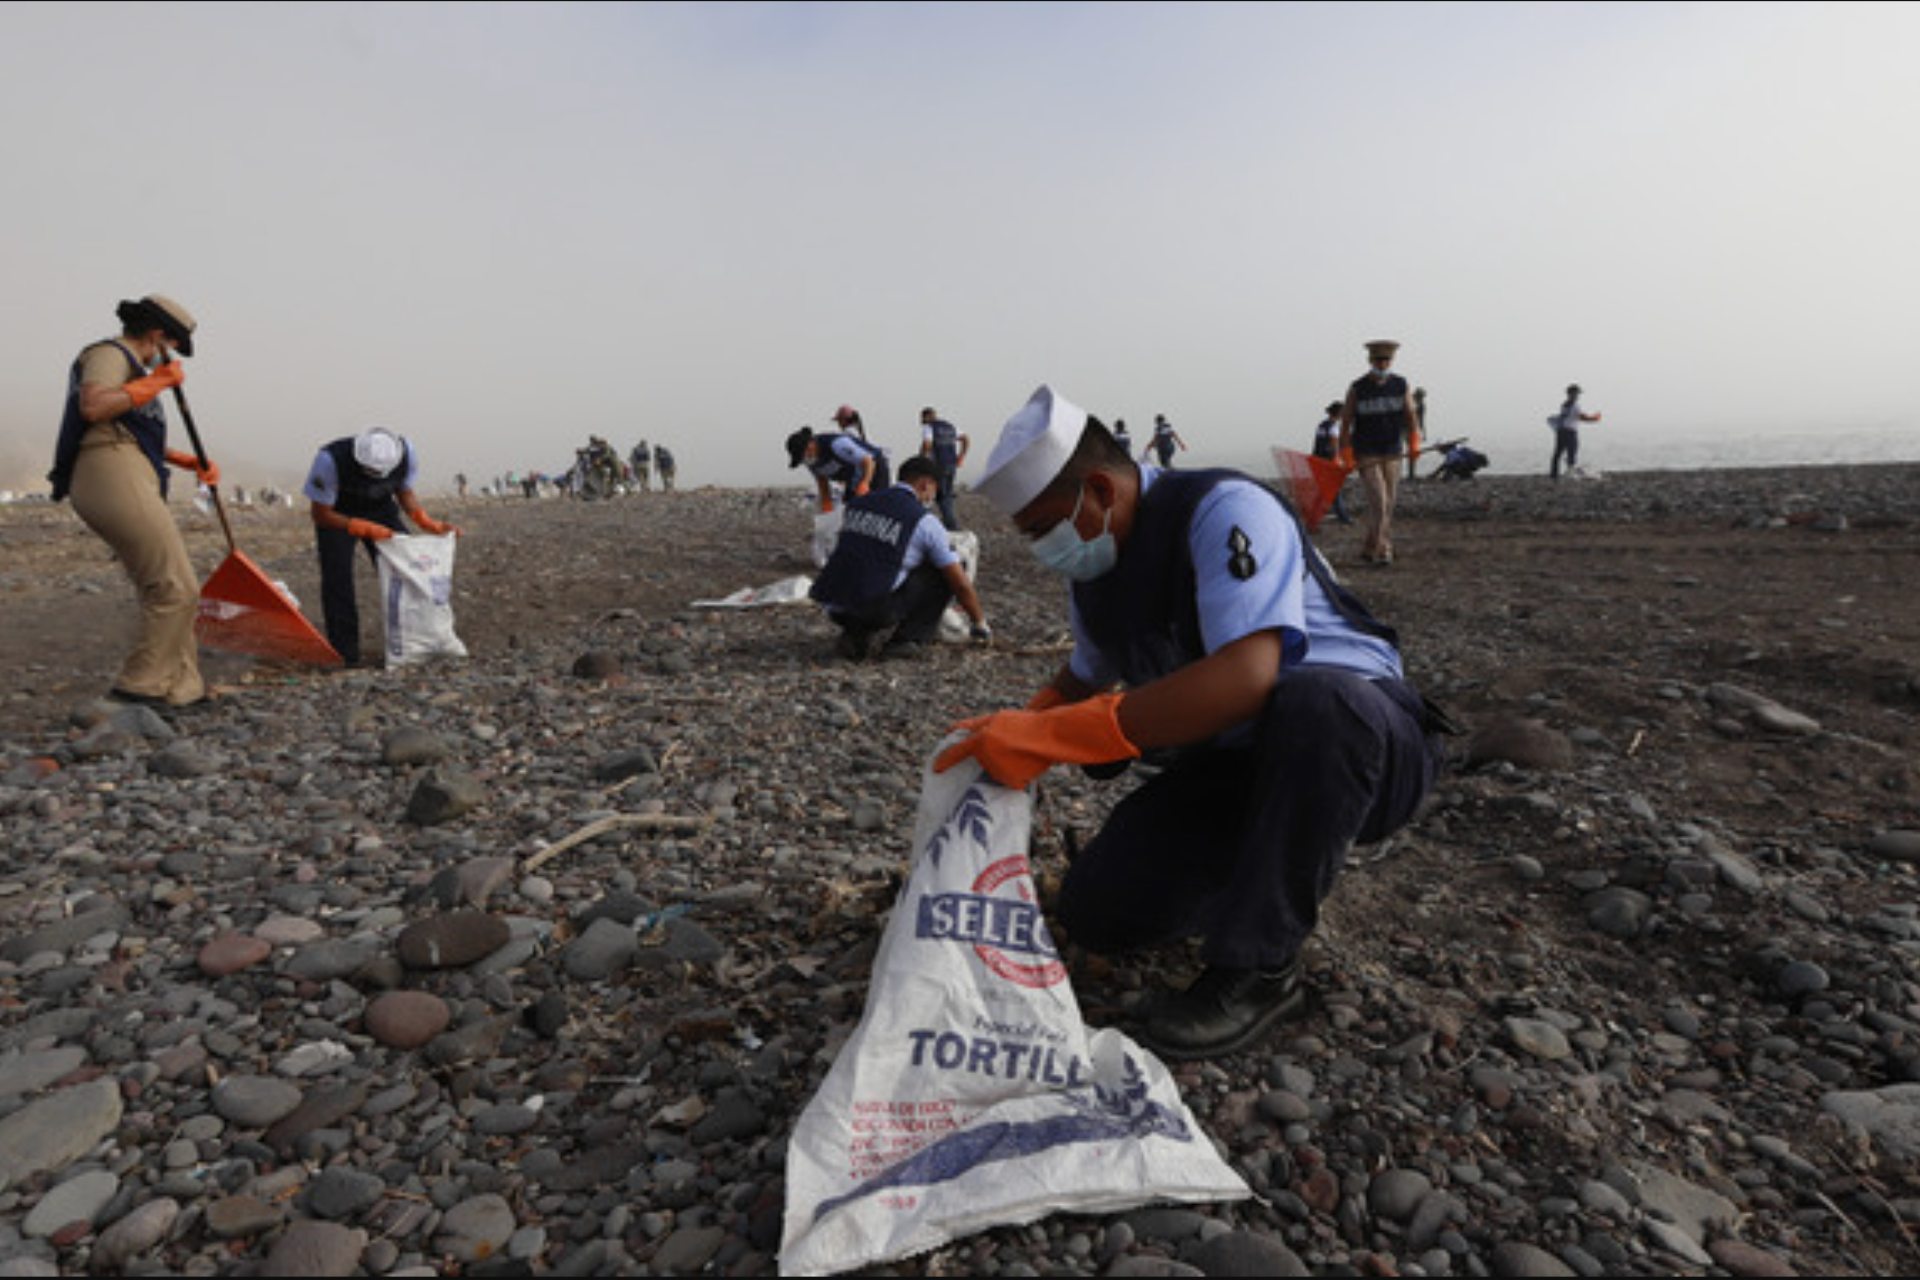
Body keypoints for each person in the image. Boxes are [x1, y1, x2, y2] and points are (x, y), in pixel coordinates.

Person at [935, 384, 1447, 1061]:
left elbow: (1247, 677)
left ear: (1098, 490)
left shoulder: (1223, 510)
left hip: (1362, 746)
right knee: (1101, 912)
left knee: (1316, 701)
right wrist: (1012, 732)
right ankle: (1266, 871)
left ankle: (1260, 968)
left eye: (1042, 530)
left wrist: (1060, 735)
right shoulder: (1098, 571)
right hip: (1238, 767)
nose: (1041, 550)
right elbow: (1084, 677)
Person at [46, 293, 217, 709]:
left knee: (165, 581)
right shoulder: (110, 353)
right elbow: (95, 407)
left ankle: (183, 686)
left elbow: (134, 429)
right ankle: (139, 686)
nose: (172, 356)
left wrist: (185, 460)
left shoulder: (137, 371)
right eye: (173, 346)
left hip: (128, 465)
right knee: (175, 586)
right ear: (157, 336)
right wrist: (158, 382)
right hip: (108, 469)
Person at [304, 427, 460, 667]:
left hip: (380, 510)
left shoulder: (406, 452)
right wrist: (360, 526)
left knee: (410, 571)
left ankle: (418, 641)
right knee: (338, 581)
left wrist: (424, 520)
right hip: (337, 515)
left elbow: (404, 491)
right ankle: (345, 653)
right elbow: (320, 514)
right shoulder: (330, 460)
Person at [810, 456, 991, 661]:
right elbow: (960, 584)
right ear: (925, 484)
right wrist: (979, 623)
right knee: (944, 572)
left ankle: (855, 635)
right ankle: (907, 640)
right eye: (934, 489)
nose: (933, 496)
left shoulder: (859, 503)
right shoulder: (923, 520)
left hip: (834, 605)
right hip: (874, 610)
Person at [1338, 339, 1420, 566]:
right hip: (1366, 450)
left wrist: (1414, 442)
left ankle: (1369, 546)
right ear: (1370, 361)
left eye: (1386, 360)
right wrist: (1345, 453)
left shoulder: (1401, 385)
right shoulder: (1358, 388)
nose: (1382, 364)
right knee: (1379, 501)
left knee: (1389, 502)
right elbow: (1345, 423)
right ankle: (1384, 549)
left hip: (1393, 449)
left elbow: (1411, 417)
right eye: (1378, 360)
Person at [786, 425, 891, 511]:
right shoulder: (810, 462)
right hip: (853, 478)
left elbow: (869, 462)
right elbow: (823, 484)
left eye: (803, 456)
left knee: (877, 509)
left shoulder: (837, 444)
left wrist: (865, 483)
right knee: (850, 512)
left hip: (874, 469)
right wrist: (827, 509)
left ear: (810, 446)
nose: (805, 461)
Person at [918, 406, 970, 531]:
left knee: (934, 495)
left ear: (926, 417)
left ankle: (946, 525)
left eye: (921, 418)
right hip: (951, 464)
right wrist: (961, 455)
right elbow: (965, 438)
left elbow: (927, 444)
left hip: (937, 465)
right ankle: (950, 523)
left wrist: (922, 459)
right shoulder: (949, 427)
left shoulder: (929, 427)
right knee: (947, 494)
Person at [1309, 400, 1353, 525]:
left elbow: (1318, 444)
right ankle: (1343, 518)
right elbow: (1334, 446)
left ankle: (1314, 517)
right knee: (1333, 491)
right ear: (1339, 413)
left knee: (1324, 492)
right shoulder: (1334, 428)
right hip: (1328, 463)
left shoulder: (1322, 425)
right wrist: (1339, 462)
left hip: (1318, 461)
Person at [1548, 384, 1603, 479]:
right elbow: (1582, 417)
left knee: (1558, 452)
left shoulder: (1564, 404)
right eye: (1577, 394)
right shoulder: (1574, 405)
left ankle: (1554, 474)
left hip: (1561, 431)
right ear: (1571, 394)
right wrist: (1595, 418)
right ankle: (1570, 473)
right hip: (1570, 432)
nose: (1578, 396)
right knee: (1572, 451)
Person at [1407, 388, 1427, 479]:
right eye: (1419, 396)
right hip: (1403, 428)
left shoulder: (1422, 405)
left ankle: (1411, 474)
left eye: (1422, 397)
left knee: (1413, 451)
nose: (1420, 398)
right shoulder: (1407, 400)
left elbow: (1421, 420)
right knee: (1397, 451)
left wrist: (1423, 432)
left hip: (1413, 429)